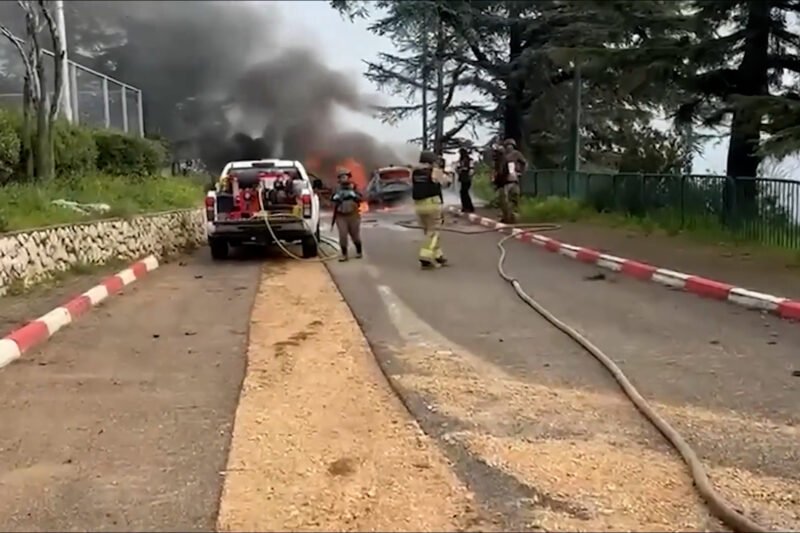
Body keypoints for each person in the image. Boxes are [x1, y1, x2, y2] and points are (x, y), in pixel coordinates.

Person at [412, 150, 450, 269]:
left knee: (429, 232)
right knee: (433, 232)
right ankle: (425, 257)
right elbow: (446, 182)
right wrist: (444, 172)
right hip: (432, 204)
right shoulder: (434, 171)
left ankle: (439, 255)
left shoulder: (415, 172)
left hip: (419, 205)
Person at [331, 168, 363, 262]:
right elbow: (331, 199)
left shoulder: (354, 187)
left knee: (355, 236)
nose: (343, 179)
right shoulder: (336, 188)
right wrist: (336, 198)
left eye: (345, 176)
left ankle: (359, 251)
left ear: (348, 177)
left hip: (353, 215)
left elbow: (361, 198)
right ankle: (344, 255)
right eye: (341, 177)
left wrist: (353, 195)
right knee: (343, 236)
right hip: (341, 216)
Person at [496, 138, 528, 224]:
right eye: (508, 145)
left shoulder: (517, 154)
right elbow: (499, 168)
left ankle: (514, 217)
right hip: (504, 181)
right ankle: (506, 217)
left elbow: (524, 163)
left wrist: (521, 172)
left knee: (514, 199)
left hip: (513, 179)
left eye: (511, 145)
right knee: (504, 200)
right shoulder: (502, 155)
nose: (509, 147)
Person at [456, 147, 474, 213]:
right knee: (463, 193)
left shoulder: (468, 160)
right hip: (463, 178)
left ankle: (468, 207)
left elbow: (471, 169)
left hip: (466, 178)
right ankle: (466, 207)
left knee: (464, 192)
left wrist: (463, 169)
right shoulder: (461, 160)